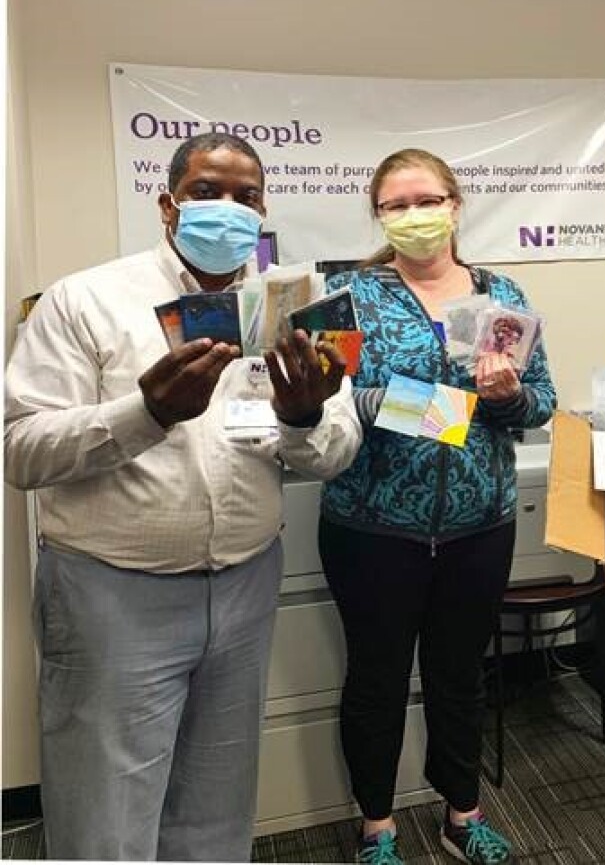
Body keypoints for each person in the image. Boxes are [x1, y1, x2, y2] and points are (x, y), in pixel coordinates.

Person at [4, 132, 362, 862]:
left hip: (244, 583)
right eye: (207, 191)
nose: (227, 208)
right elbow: (22, 450)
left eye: (246, 195)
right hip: (110, 594)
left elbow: (339, 447)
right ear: (168, 205)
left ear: (264, 211)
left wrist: (303, 416)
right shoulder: (88, 299)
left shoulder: (299, 307)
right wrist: (147, 414)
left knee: (216, 809)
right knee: (104, 819)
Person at [318, 148, 557, 865]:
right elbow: (322, 401)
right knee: (376, 680)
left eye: (427, 199)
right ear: (379, 215)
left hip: (478, 527)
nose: (414, 215)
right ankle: (377, 828)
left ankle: (463, 813)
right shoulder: (347, 296)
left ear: (456, 204)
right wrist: (442, 410)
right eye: (396, 204)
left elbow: (541, 403)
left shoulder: (502, 292)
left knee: (461, 678)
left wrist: (511, 398)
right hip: (371, 528)